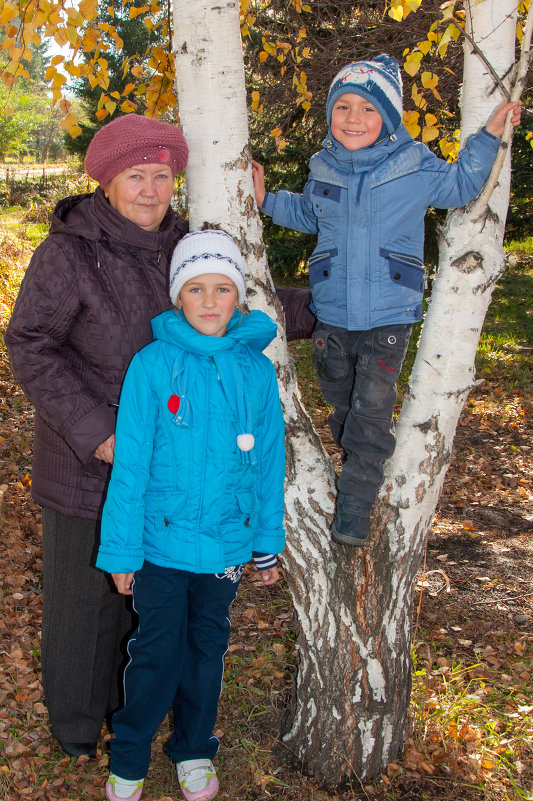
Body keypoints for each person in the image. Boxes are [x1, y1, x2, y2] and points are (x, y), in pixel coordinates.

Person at [252, 54, 521, 547]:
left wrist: (488, 136)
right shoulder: (323, 167)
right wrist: (267, 199)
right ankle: (360, 458)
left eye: (368, 110)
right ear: (330, 114)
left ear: (390, 118)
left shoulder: (413, 166)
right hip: (331, 316)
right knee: (340, 402)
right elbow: (310, 215)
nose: (354, 119)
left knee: (371, 409)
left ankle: (356, 501)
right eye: (343, 107)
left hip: (387, 317)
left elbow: (462, 184)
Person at [4, 114, 192, 758]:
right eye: (134, 176)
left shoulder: (184, 247)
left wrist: (335, 308)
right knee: (86, 604)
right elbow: (30, 343)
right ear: (107, 183)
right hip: (90, 465)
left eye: (161, 176)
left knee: (145, 595)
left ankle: (128, 709)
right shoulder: (70, 251)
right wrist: (98, 431)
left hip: (167, 463)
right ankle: (77, 728)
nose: (149, 190)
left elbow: (235, 302)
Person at [95, 229, 285, 801]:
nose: (208, 301)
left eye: (222, 289)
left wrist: (266, 540)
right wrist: (123, 552)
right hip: (159, 547)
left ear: (238, 297)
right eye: (196, 288)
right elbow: (129, 467)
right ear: (178, 295)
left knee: (207, 651)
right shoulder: (152, 366)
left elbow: (270, 461)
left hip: (226, 547)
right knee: (155, 653)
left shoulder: (256, 371)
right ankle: (128, 755)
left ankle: (195, 749)